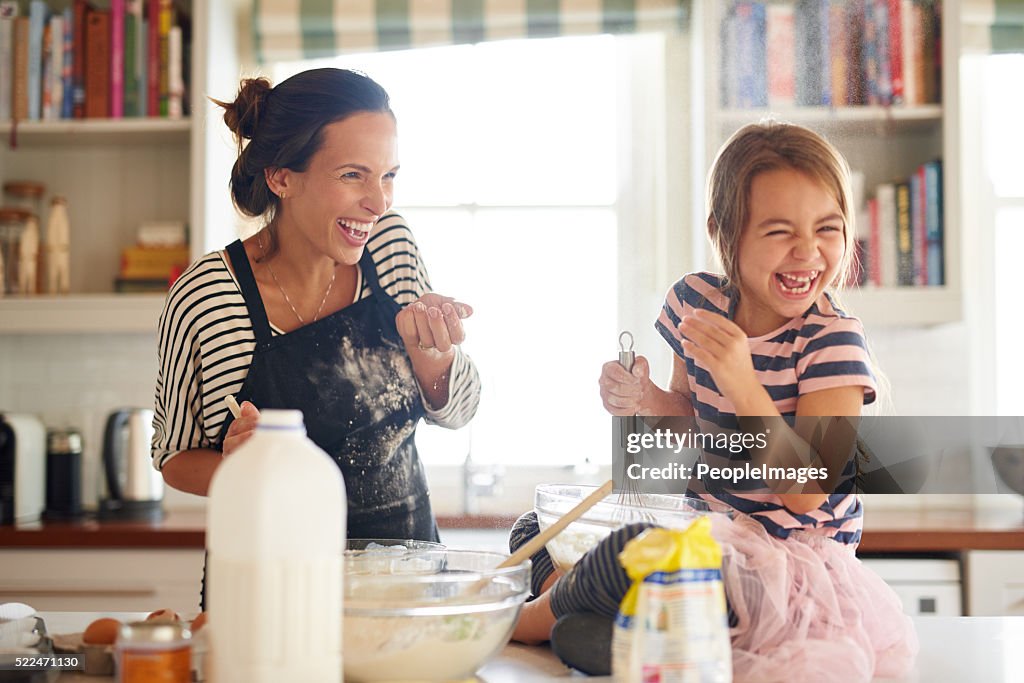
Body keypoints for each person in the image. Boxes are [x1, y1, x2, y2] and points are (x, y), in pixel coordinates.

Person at [509, 122, 917, 682]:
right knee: (535, 529)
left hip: (785, 574)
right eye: (779, 232)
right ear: (723, 231)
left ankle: (527, 619)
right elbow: (691, 431)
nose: (808, 252)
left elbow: (807, 494)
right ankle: (600, 618)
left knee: (632, 549)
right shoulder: (695, 303)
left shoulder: (833, 342)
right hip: (704, 540)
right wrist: (642, 400)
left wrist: (741, 380)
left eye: (828, 227)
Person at [152, 69, 480, 569]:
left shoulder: (391, 248)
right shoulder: (210, 294)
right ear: (282, 177)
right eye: (353, 175)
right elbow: (174, 457)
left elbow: (458, 412)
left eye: (388, 175)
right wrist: (240, 468)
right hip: (268, 584)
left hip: (404, 582)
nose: (379, 201)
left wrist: (434, 356)